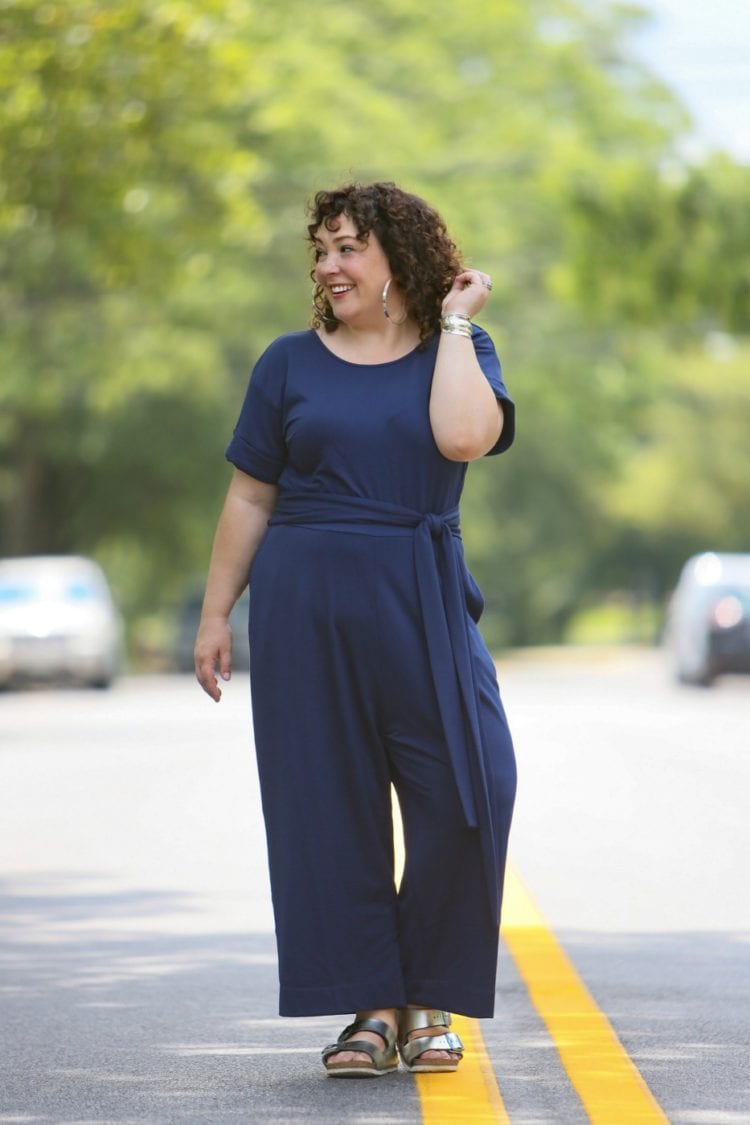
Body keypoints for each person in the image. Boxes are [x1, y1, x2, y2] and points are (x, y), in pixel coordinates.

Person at [194, 181, 517, 1079]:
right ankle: (372, 1007)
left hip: (420, 594)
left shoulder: (462, 350)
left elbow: (462, 439)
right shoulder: (288, 363)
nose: (330, 266)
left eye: (349, 249)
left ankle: (430, 993)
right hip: (304, 607)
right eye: (323, 250)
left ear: (398, 259)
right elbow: (251, 493)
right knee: (324, 807)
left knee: (473, 787)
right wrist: (218, 612)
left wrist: (453, 323)